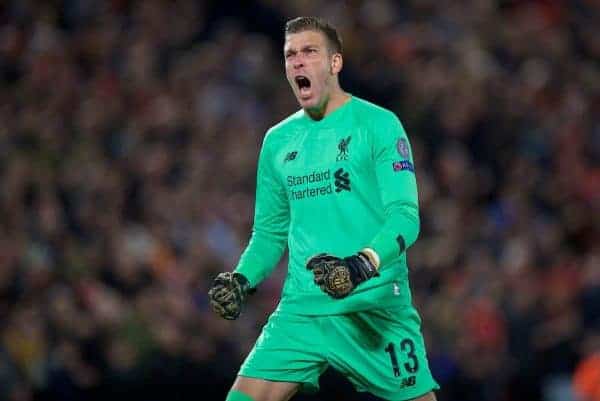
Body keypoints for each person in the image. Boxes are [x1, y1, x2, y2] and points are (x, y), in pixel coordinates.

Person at [208, 16, 440, 401]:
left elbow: (406, 217)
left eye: (309, 52)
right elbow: (268, 235)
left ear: (335, 63)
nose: (297, 62)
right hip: (303, 309)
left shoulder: (379, 125)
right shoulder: (278, 141)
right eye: (290, 56)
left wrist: (360, 265)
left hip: (374, 307)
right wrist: (241, 279)